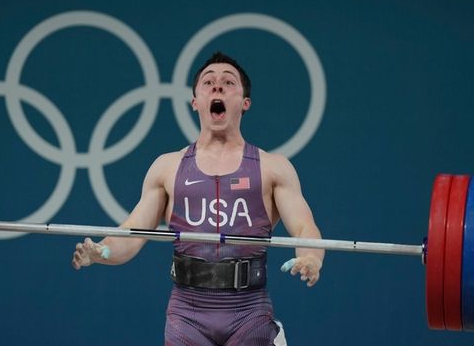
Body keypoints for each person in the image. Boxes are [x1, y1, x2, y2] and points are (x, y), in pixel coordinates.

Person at [72, 51, 324, 345]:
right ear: (195, 102)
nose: (217, 86)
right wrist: (101, 251)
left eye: (228, 82)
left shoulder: (273, 167)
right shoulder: (167, 167)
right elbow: (131, 233)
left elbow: (305, 229)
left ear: (245, 103)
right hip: (186, 316)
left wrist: (310, 257)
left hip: (249, 313)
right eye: (208, 82)